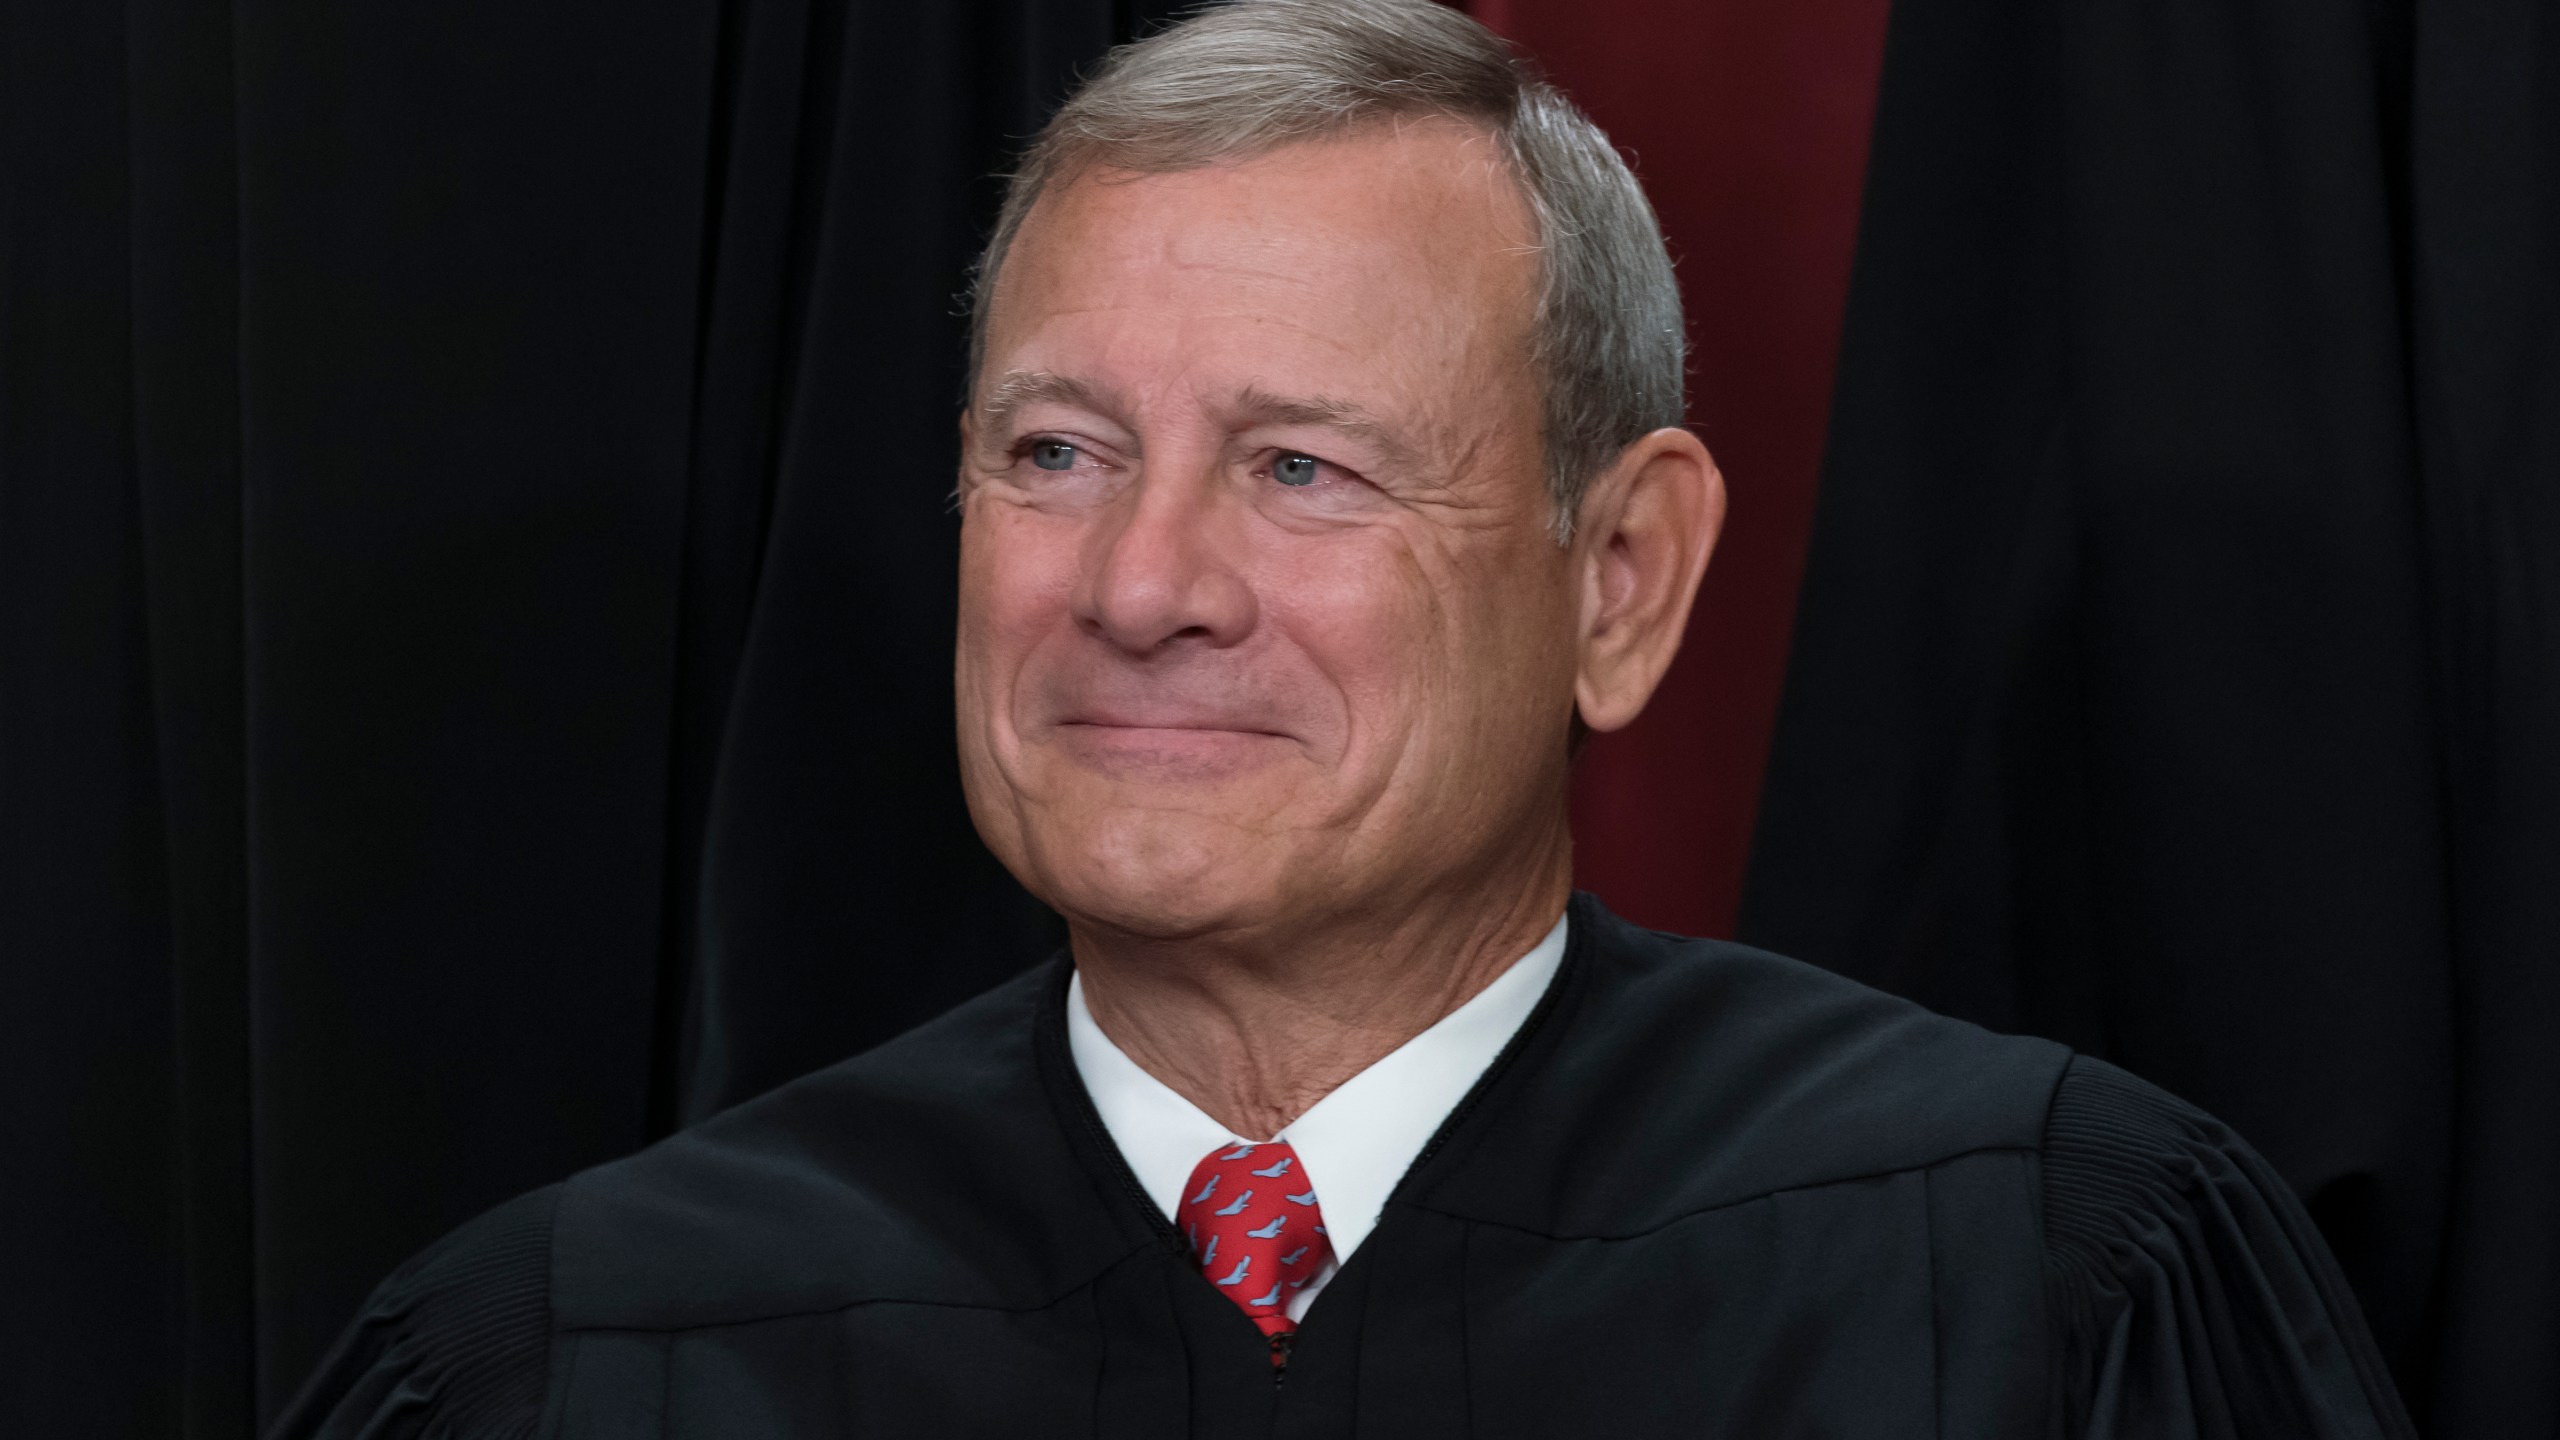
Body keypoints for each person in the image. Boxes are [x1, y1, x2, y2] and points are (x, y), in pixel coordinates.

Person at [274, 1, 2416, 1434]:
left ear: (1617, 580)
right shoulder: (580, 1360)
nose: (1136, 588)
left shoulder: (2032, 1282)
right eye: (1052, 455)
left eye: (1300, 467)